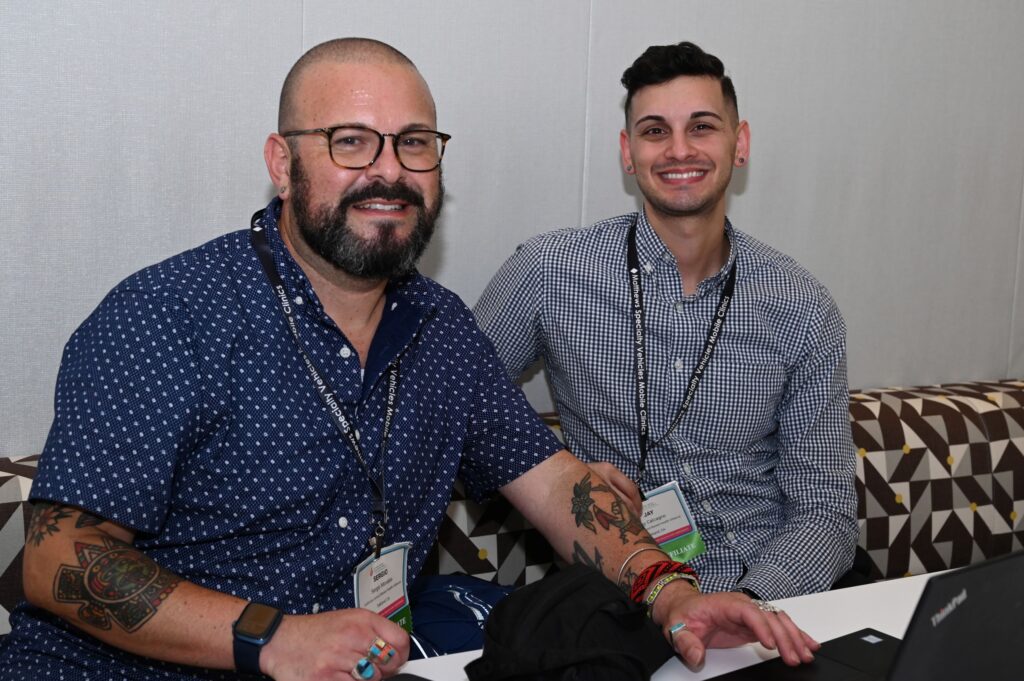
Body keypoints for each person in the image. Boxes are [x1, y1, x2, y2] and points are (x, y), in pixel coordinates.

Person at [0, 38, 818, 680]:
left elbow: (560, 487)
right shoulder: (168, 314)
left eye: (414, 142)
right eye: (351, 141)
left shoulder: (441, 330)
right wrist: (273, 639)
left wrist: (673, 593)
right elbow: (55, 556)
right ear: (283, 164)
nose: (388, 169)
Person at [475, 41, 859, 601]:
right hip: (621, 589)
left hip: (771, 589)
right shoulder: (548, 274)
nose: (680, 150)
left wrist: (746, 606)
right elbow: (453, 405)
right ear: (628, 153)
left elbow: (824, 509)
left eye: (702, 127)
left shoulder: (801, 305)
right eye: (655, 131)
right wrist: (562, 478)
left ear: (740, 142)